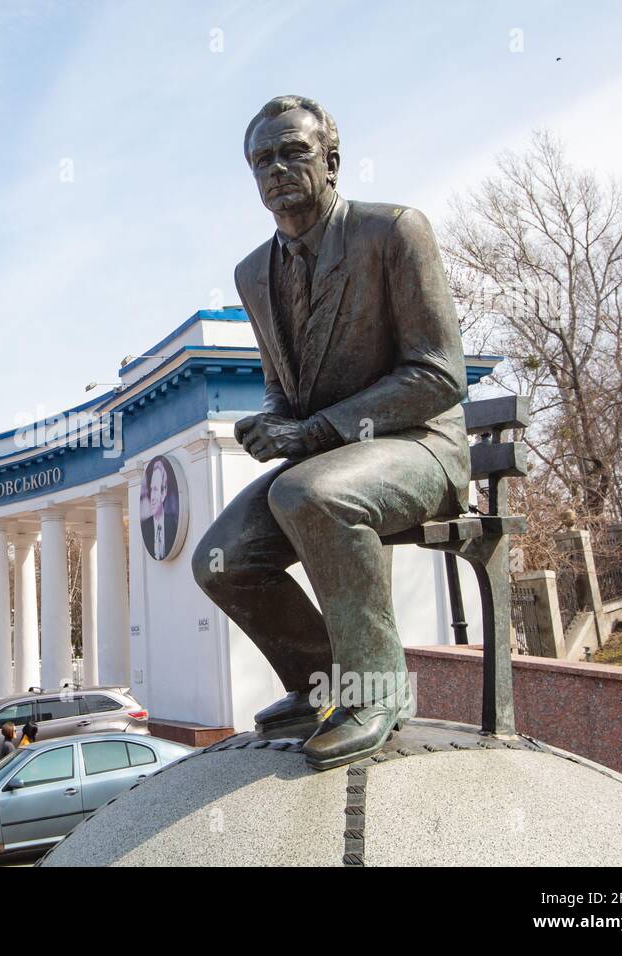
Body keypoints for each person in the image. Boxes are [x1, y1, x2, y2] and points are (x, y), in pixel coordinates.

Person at [193, 95, 470, 771]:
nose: (277, 168)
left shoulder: (395, 231)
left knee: (312, 495)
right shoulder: (253, 273)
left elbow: (439, 375)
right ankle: (320, 682)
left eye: (294, 151)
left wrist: (314, 430)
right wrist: (273, 421)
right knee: (220, 561)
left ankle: (373, 691)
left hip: (420, 447)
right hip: (332, 458)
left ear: (333, 161)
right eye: (263, 159)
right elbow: (282, 384)